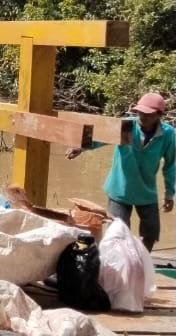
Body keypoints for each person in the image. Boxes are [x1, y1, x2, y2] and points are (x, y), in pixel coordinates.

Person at [67, 91, 176, 251]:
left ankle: (141, 260)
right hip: (120, 189)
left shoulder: (168, 134)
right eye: (140, 112)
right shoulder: (127, 126)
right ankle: (118, 260)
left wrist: (169, 193)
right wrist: (80, 147)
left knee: (151, 232)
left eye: (148, 114)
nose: (142, 117)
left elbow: (171, 165)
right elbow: (101, 138)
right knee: (118, 233)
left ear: (159, 115)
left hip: (146, 190)